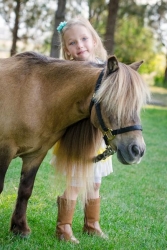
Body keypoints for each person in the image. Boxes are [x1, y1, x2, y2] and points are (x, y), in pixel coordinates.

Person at [50, 16, 113, 244]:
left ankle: (91, 224)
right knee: (75, 183)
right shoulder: (68, 72)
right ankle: (63, 227)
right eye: (72, 43)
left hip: (96, 139)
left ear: (94, 40)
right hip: (76, 138)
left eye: (84, 39)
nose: (80, 46)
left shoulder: (105, 68)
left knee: (95, 183)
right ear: (66, 50)